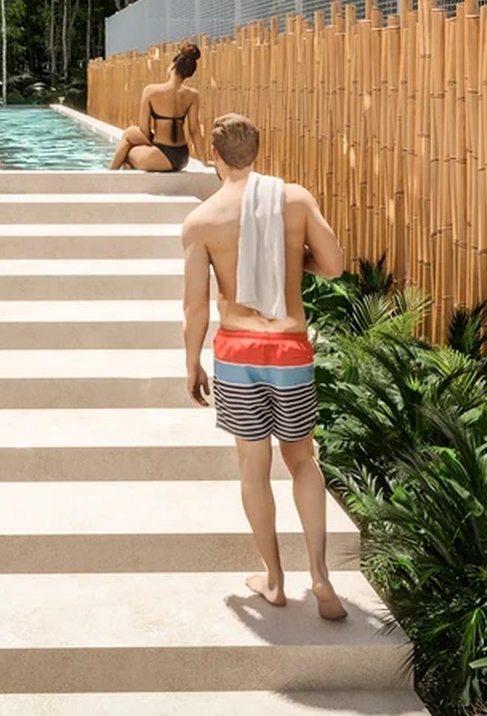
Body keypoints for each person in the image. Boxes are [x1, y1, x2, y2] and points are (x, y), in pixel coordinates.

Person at [180, 112, 348, 621]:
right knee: (302, 460)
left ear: (213, 155)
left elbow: (195, 307)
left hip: (237, 351)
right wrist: (294, 265)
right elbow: (336, 264)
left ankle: (273, 580)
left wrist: (192, 362)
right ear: (257, 150)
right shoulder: (293, 199)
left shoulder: (202, 221)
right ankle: (320, 575)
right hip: (290, 349)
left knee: (253, 468)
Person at [109, 42, 204, 172]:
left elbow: (144, 130)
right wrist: (204, 161)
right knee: (130, 132)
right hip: (182, 157)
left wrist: (148, 141)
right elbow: (195, 130)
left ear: (173, 65)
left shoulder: (151, 91)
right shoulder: (193, 95)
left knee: (127, 154)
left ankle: (108, 176)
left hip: (162, 154)